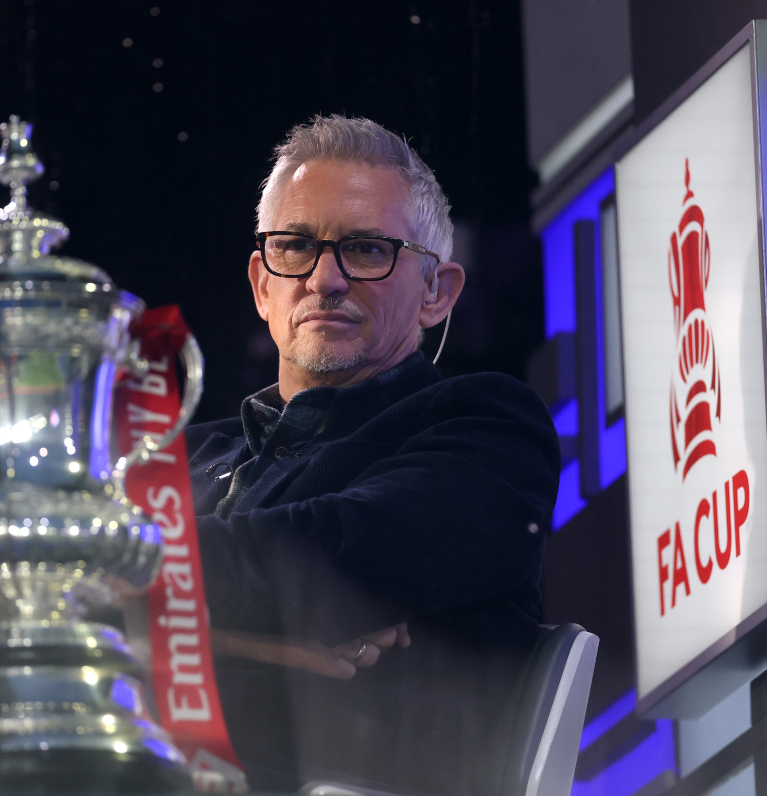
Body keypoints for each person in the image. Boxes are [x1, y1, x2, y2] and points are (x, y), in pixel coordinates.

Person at [185, 115, 561, 794]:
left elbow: (326, 565)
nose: (324, 279)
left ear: (436, 293)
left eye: (364, 250)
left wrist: (138, 599)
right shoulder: (183, 458)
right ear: (261, 283)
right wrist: (243, 638)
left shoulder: (487, 428)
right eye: (295, 246)